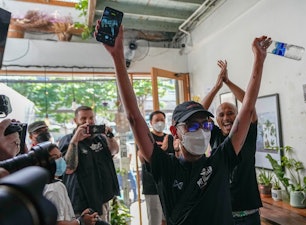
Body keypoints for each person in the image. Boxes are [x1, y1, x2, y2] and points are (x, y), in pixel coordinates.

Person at [96, 21, 271, 225]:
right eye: (192, 126)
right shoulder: (164, 166)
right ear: (175, 132)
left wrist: (259, 59)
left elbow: (247, 110)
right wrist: (118, 57)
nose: (201, 131)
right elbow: (134, 118)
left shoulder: (220, 161)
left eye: (205, 125)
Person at [201, 60, 262, 224]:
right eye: (221, 114)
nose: (226, 118)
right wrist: (217, 86)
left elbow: (249, 105)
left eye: (231, 113)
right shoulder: (213, 135)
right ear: (216, 119)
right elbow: (198, 112)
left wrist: (228, 82)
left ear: (238, 116)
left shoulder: (247, 133)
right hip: (220, 213)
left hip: (248, 215)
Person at [58, 106, 120, 221]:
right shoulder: (68, 140)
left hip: (103, 198)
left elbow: (114, 151)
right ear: (75, 120)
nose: (88, 121)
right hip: (83, 202)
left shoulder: (99, 138)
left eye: (91, 118)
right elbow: (68, 168)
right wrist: (75, 140)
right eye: (83, 118)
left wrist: (110, 136)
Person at [44, 143, 99, 225]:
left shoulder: (54, 184)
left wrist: (81, 218)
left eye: (60, 156)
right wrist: (80, 222)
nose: (60, 160)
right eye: (55, 158)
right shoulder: (54, 189)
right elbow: (58, 223)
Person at [139, 110, 175, 225]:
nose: (160, 123)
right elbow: (141, 157)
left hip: (167, 184)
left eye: (162, 120)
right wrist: (161, 150)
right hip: (151, 185)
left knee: (168, 218)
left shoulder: (169, 138)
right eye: (157, 120)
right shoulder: (147, 138)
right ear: (151, 122)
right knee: (155, 219)